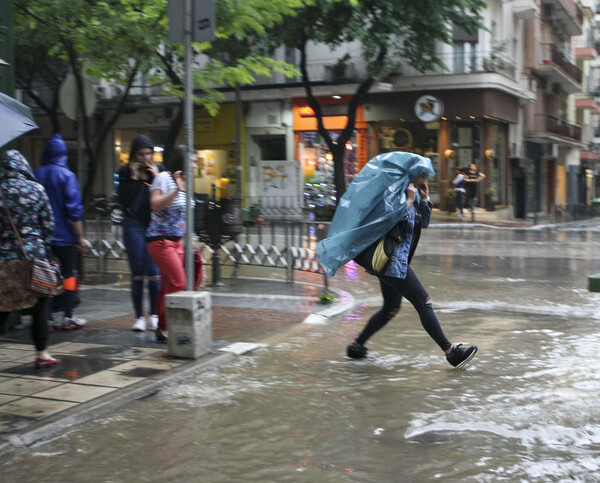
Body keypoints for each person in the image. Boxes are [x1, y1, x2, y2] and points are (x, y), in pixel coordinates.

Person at [316, 152, 477, 369]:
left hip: (395, 262)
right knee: (423, 301)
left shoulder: (414, 193)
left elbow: (423, 223)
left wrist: (425, 199)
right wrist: (409, 200)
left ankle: (357, 346)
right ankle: (451, 352)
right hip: (391, 261)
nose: (424, 181)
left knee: (391, 308)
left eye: (426, 177)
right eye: (422, 176)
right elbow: (388, 221)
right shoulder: (392, 194)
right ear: (411, 173)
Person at [0, 149, 60, 368]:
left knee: (4, 307)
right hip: (35, 257)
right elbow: (49, 227)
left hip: (5, 260)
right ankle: (42, 353)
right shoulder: (36, 189)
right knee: (39, 307)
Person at [35, 134, 87, 331]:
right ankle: (68, 315)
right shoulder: (67, 176)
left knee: (45, 276)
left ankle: (46, 317)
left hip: (42, 237)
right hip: (65, 236)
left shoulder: (36, 174)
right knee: (69, 275)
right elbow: (74, 209)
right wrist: (79, 236)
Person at [145, 145, 190, 343]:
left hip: (177, 241)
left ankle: (162, 328)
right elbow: (154, 205)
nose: (196, 164)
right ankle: (169, 326)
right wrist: (176, 191)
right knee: (178, 283)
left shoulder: (186, 181)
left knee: (168, 285)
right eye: (194, 160)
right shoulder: (164, 178)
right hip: (161, 240)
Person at [117, 134, 161, 332]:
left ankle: (154, 314)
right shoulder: (124, 173)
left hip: (154, 225)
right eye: (141, 154)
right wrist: (134, 178)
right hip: (133, 224)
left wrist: (157, 176)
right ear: (134, 155)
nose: (146, 158)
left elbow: (163, 198)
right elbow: (124, 201)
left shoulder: (160, 172)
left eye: (149, 154)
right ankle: (139, 317)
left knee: (153, 272)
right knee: (137, 271)